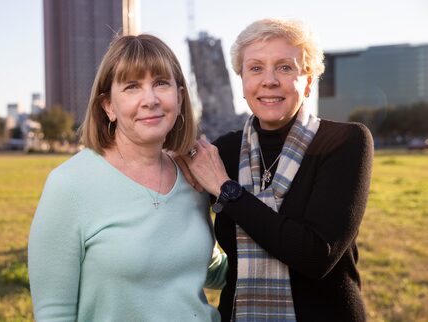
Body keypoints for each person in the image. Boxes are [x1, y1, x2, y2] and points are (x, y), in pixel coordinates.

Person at [181, 18, 373, 321]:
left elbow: (314, 255)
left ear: (308, 81)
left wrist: (227, 191)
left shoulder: (346, 142)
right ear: (242, 81)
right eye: (255, 68)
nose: (269, 80)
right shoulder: (223, 151)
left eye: (285, 67)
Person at [28, 34, 227, 322]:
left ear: (180, 96)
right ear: (108, 105)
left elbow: (208, 268)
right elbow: (53, 314)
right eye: (132, 87)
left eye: (161, 83)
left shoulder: (192, 178)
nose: (150, 99)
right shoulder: (69, 185)